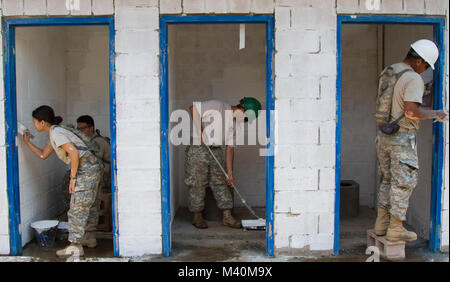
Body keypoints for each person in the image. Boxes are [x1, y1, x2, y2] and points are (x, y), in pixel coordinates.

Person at [374, 39, 449, 242]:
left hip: (384, 135)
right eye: (425, 65)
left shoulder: (390, 71)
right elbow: (411, 111)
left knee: (387, 180)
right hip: (402, 138)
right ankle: (396, 227)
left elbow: (395, 101)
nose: (424, 70)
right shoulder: (413, 78)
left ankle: (381, 224)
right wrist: (438, 113)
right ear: (418, 60)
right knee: (403, 183)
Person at [22, 106, 103, 258]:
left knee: (77, 207)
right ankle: (89, 238)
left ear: (43, 122)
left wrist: (73, 178)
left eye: (35, 122)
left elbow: (73, 152)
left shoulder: (57, 133)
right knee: (89, 205)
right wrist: (27, 142)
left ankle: (75, 246)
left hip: (85, 171)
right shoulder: (56, 132)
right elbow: (43, 155)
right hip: (93, 168)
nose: (34, 125)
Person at [185, 97, 262, 229]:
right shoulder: (218, 105)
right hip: (198, 149)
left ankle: (227, 216)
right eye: (246, 119)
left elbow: (230, 149)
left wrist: (230, 173)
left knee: (221, 182)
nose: (245, 122)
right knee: (197, 182)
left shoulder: (235, 125)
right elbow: (193, 108)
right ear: (242, 110)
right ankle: (197, 216)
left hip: (216, 150)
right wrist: (200, 130)